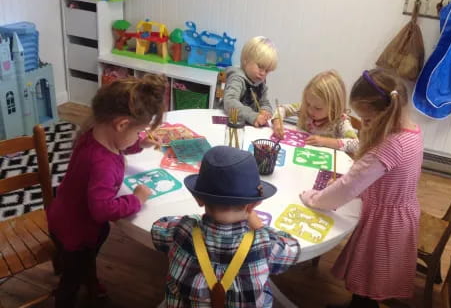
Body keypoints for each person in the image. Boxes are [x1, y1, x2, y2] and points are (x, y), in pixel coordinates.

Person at [300, 68, 423, 308]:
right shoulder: (411, 131)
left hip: (385, 222)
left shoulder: (388, 146)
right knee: (372, 273)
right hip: (400, 213)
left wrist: (314, 198)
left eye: (366, 120)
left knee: (371, 272)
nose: (363, 126)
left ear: (386, 114)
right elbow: (380, 177)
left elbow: (348, 187)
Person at [47, 74, 167, 308]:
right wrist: (136, 199)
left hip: (66, 216)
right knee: (70, 281)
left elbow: (118, 143)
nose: (139, 136)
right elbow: (102, 210)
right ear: (121, 124)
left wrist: (138, 144)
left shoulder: (93, 132)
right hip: (77, 232)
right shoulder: (103, 164)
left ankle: (90, 280)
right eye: (138, 132)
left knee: (85, 262)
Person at [151, 146, 300, 307]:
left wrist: (192, 220)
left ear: (198, 199)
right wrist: (258, 225)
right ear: (254, 205)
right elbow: (293, 248)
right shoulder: (266, 244)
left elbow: (157, 229)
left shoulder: (181, 229)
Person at [272, 70, 359, 154]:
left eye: (318, 108)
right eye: (308, 103)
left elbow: (355, 145)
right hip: (298, 153)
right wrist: (277, 122)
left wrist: (324, 141)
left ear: (334, 107)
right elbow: (282, 108)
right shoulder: (304, 108)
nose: (310, 110)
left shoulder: (341, 121)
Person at [223, 36, 278, 127]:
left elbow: (265, 102)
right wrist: (252, 115)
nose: (263, 73)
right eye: (260, 67)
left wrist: (265, 110)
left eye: (267, 70)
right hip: (228, 124)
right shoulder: (237, 78)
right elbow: (230, 102)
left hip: (248, 126)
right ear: (246, 61)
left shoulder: (261, 83)